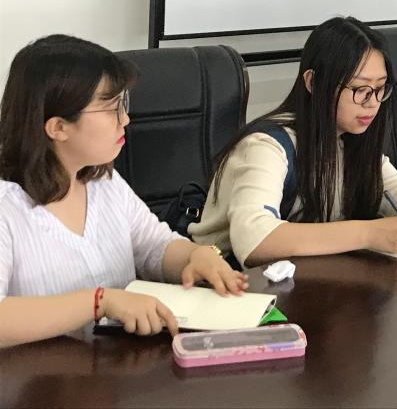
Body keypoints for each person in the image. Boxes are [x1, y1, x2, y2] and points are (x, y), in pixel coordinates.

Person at [0, 35, 245, 348]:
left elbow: (155, 246)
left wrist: (196, 256)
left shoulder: (104, 182)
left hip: (115, 367)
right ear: (58, 127)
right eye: (112, 108)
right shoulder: (7, 207)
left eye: (123, 104)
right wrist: (98, 302)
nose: (126, 119)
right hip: (41, 377)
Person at [190, 17, 397, 268]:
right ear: (313, 82)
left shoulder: (350, 137)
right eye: (359, 89)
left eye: (380, 88)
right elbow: (254, 240)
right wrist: (369, 233)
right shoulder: (266, 146)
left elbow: (396, 189)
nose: (372, 103)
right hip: (225, 287)